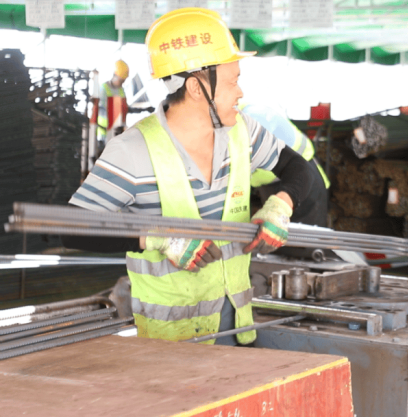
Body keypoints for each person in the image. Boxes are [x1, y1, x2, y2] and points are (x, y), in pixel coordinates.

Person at [62, 8, 315, 347]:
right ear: (197, 88)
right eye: (232, 81)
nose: (240, 92)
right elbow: (71, 228)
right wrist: (158, 238)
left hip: (237, 329)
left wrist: (281, 206)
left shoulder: (241, 131)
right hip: (171, 345)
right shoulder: (132, 151)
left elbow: (298, 167)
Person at [243, 103, 330, 227]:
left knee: (306, 233)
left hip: (301, 179)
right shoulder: (247, 111)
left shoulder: (249, 120)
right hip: (286, 177)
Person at [98, 60, 153, 145]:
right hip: (104, 133)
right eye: (121, 80)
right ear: (115, 75)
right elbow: (100, 110)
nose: (123, 82)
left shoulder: (121, 90)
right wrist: (115, 117)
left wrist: (144, 109)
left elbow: (125, 109)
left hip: (118, 132)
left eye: (124, 80)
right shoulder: (104, 89)